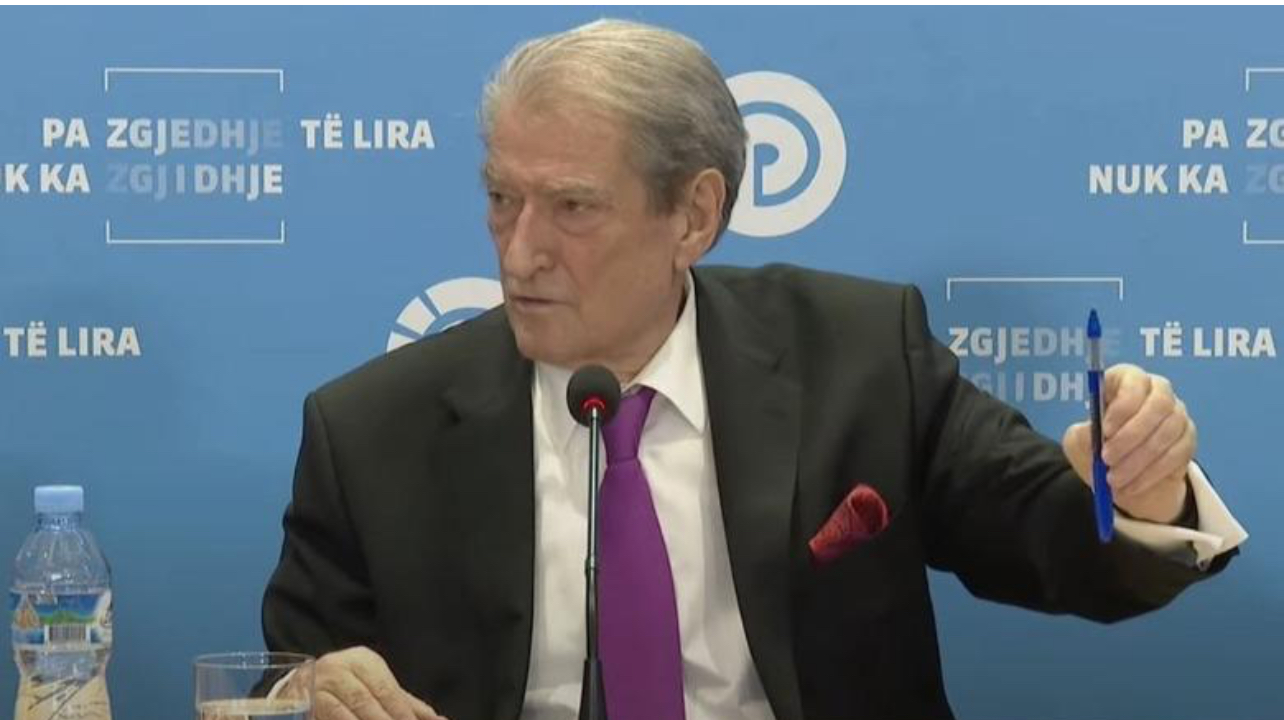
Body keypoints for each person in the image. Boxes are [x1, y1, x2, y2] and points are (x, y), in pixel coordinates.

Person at [262, 19, 1247, 720]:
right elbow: (293, 677)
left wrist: (1139, 493)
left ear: (694, 215)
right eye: (500, 199)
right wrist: (303, 695)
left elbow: (1055, 545)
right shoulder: (372, 429)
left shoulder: (860, 356)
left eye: (572, 207)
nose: (520, 253)